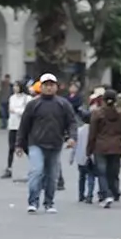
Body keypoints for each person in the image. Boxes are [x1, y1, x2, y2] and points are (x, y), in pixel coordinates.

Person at [15, 73, 77, 213]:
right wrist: (19, 144)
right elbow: (24, 125)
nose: (49, 88)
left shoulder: (63, 104)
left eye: (51, 85)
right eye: (46, 85)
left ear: (56, 87)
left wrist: (71, 137)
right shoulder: (33, 104)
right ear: (41, 87)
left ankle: (49, 202)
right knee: (36, 171)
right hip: (36, 143)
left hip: (55, 144)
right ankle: (33, 201)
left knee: (52, 175)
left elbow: (72, 122)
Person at [88, 88, 121, 208]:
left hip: (100, 146)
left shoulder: (97, 114)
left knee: (102, 172)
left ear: (103, 100)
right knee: (112, 172)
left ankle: (105, 195)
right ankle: (113, 191)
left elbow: (92, 133)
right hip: (116, 146)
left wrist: (88, 150)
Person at [2, 81, 31, 178]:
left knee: (26, 148)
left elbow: (26, 112)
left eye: (17, 86)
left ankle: (35, 167)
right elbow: (10, 110)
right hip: (13, 125)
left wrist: (16, 110)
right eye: (14, 86)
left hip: (22, 126)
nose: (15, 88)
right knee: (11, 148)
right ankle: (9, 168)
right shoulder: (12, 97)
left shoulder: (27, 98)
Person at [70, 109, 97, 203]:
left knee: (81, 177)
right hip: (92, 157)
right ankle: (90, 195)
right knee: (91, 176)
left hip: (80, 157)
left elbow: (74, 145)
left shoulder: (79, 130)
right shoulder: (96, 131)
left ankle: (81, 195)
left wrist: (72, 157)